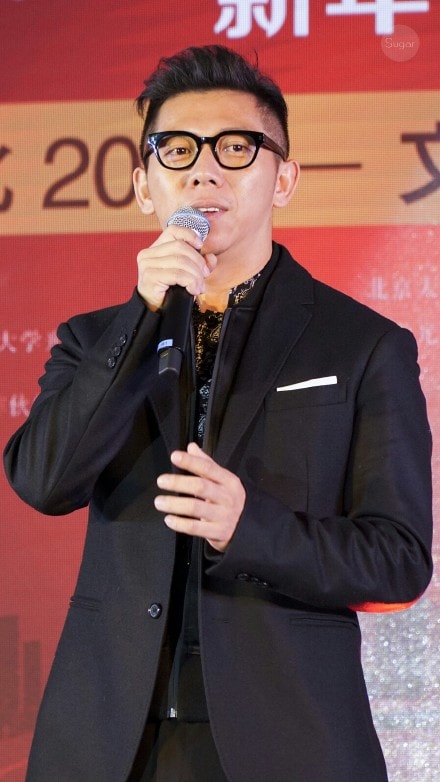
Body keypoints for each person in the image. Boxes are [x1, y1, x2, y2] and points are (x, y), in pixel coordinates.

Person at [3, 45, 433, 782]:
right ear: (143, 185)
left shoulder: (363, 345)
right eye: (178, 150)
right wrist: (139, 320)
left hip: (290, 742)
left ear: (284, 178)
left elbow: (398, 560)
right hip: (109, 744)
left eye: (237, 148)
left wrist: (248, 528)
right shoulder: (93, 341)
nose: (205, 170)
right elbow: (43, 481)